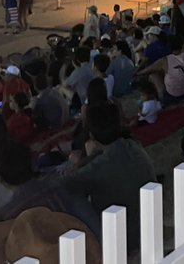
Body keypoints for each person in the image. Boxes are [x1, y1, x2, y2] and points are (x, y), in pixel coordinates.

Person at [61, 104, 154, 249]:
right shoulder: (132, 145)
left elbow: (66, 186)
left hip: (124, 238)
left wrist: (74, 164)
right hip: (150, 225)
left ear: (91, 134)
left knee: (73, 197)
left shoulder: (98, 168)